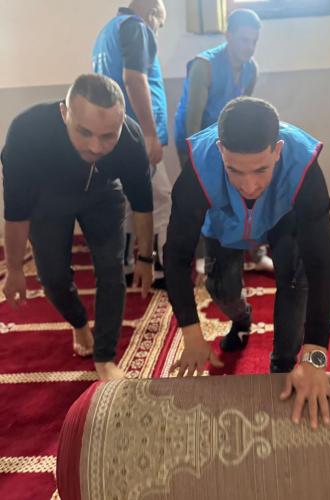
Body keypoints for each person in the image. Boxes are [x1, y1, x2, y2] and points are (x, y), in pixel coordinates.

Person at [164, 97, 330, 428]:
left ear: (278, 151)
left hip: (282, 220)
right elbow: (176, 256)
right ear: (220, 150)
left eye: (261, 170)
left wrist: (315, 359)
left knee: (296, 282)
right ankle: (242, 319)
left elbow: (322, 264)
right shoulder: (199, 168)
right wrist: (191, 332)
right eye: (234, 170)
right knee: (222, 290)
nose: (249, 186)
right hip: (223, 227)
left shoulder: (302, 166)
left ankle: (283, 368)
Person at [1, 74, 155, 381]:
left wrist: (146, 259)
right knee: (52, 278)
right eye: (84, 132)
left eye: (108, 136)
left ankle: (105, 358)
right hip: (48, 198)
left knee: (111, 269)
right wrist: (15, 269)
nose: (95, 147)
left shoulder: (131, 138)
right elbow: (16, 210)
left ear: (121, 122)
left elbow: (142, 204)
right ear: (64, 113)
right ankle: (79, 323)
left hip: (102, 193)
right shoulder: (27, 131)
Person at [174, 9, 273, 274]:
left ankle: (257, 253)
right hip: (193, 139)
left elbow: (243, 113)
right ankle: (202, 256)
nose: (249, 47)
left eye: (254, 41)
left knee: (249, 191)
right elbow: (192, 125)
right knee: (201, 198)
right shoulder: (204, 67)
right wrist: (199, 164)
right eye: (243, 40)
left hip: (226, 140)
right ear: (228, 36)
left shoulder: (251, 69)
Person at [92, 0, 170, 287]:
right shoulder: (137, 27)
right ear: (152, 14)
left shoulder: (107, 32)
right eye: (159, 25)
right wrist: (150, 134)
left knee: (125, 201)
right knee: (160, 198)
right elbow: (134, 80)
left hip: (117, 131)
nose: (157, 31)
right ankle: (160, 269)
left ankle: (124, 265)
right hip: (136, 133)